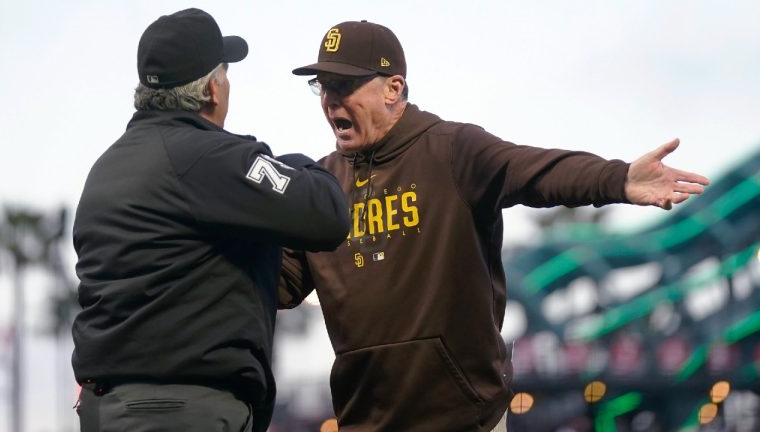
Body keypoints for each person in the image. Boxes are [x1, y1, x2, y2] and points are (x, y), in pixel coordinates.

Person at [280, 20, 710, 431]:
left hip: (465, 421)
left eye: (345, 86)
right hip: (363, 422)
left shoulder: (451, 151)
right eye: (323, 86)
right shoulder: (322, 187)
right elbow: (276, 283)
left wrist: (617, 178)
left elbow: (534, 171)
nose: (330, 100)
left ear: (394, 89)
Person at [71, 8, 349, 432]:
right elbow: (327, 212)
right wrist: (282, 162)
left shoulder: (108, 167)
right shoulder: (207, 157)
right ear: (212, 90)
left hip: (106, 408)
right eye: (225, 73)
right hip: (181, 411)